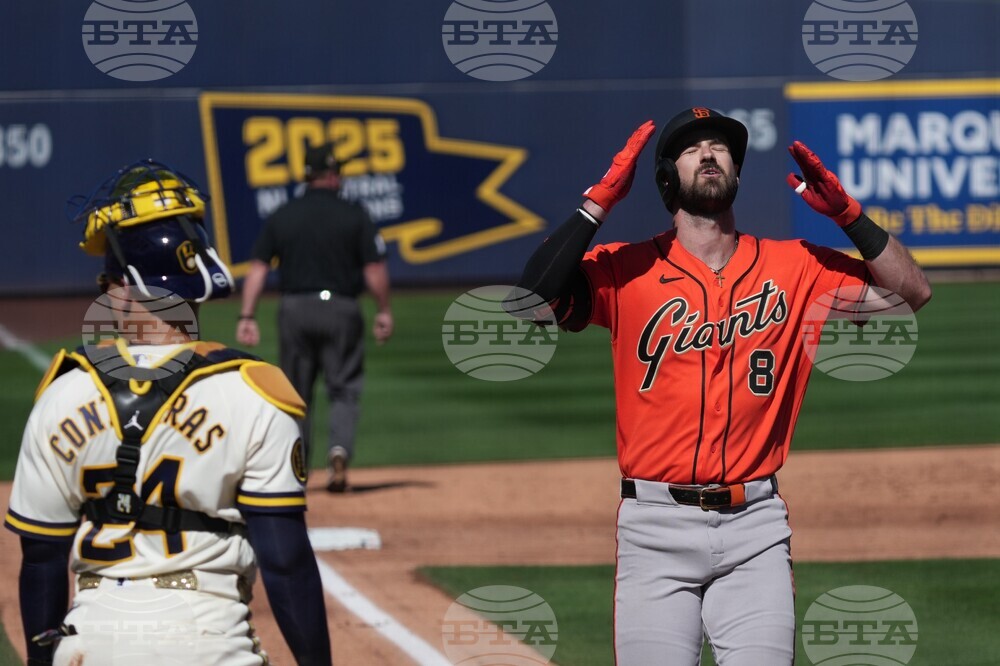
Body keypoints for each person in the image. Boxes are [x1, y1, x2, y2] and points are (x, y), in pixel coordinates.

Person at [508, 108, 931, 665]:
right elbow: (530, 302)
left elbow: (911, 293)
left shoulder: (796, 266)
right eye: (691, 148)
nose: (709, 153)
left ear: (736, 169)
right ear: (665, 177)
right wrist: (598, 202)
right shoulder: (624, 270)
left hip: (755, 526)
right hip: (654, 530)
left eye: (721, 146)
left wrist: (850, 216)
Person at [4, 160, 332, 665]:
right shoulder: (254, 394)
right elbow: (286, 564)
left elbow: (43, 561)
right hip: (208, 643)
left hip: (89, 646)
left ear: (127, 286)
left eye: (106, 279)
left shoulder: (62, 394)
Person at [237, 142, 393, 493]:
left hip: (295, 308)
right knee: (344, 389)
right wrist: (384, 311)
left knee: (295, 392)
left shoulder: (284, 214)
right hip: (341, 307)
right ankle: (338, 452)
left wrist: (247, 315)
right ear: (333, 174)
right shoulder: (354, 214)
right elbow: (374, 269)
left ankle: (296, 467)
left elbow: (259, 268)